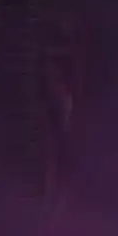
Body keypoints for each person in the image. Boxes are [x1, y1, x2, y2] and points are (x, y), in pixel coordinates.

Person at [39, 15, 81, 218]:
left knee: (60, 157)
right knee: (56, 157)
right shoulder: (56, 60)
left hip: (61, 112)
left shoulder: (63, 60)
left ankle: (57, 205)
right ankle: (53, 205)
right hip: (56, 114)